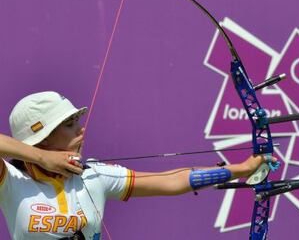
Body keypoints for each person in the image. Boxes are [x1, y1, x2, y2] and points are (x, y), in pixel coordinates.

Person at [0, 91, 276, 239]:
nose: (81, 131)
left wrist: (240, 169)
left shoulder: (93, 175)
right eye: (70, 125)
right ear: (43, 139)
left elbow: (172, 180)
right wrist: (40, 158)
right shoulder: (11, 180)